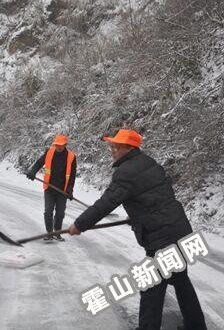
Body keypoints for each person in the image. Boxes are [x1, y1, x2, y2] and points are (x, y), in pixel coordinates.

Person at [68, 129, 207, 330]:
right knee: (180, 280)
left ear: (129, 148)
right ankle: (196, 325)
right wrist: (136, 216)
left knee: (151, 285)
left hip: (161, 237)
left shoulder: (126, 172)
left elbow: (107, 203)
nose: (112, 150)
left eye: (116, 146)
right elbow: (155, 198)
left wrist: (80, 224)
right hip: (179, 229)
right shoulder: (148, 162)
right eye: (111, 146)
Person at [26, 134, 77, 241]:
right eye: (57, 144)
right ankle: (50, 233)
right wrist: (32, 171)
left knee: (60, 213)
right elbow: (39, 163)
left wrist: (69, 190)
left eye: (61, 145)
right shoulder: (49, 152)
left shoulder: (71, 157)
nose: (58, 147)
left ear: (65, 145)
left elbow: (72, 176)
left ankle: (57, 233)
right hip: (49, 188)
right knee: (48, 211)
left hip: (62, 190)